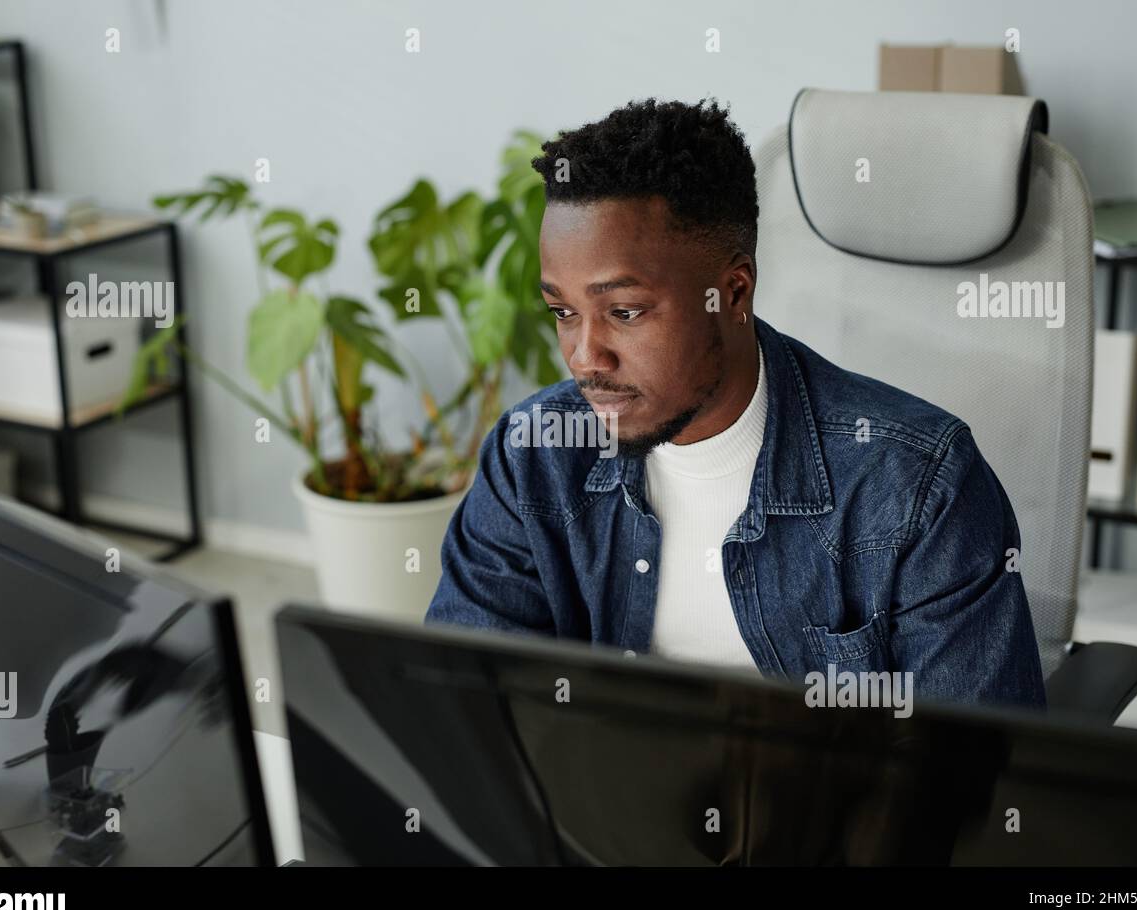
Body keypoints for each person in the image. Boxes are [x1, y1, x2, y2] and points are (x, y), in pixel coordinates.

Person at [426, 96, 1045, 710]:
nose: (586, 356)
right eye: (563, 312)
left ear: (733, 290)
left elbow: (970, 780)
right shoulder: (532, 459)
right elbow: (465, 718)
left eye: (625, 312)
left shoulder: (916, 486)